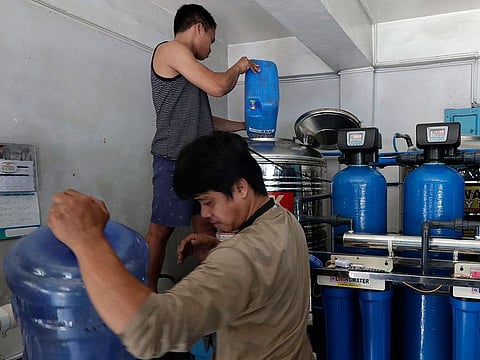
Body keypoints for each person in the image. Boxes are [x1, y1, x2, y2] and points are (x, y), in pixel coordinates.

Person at [48, 131, 314, 359]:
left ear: (241, 187)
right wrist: (218, 248)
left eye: (208, 202)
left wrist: (88, 240)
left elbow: (149, 331)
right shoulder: (283, 220)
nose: (205, 214)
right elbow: (265, 276)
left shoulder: (240, 257)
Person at [146, 3, 260, 292]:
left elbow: (205, 121)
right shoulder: (170, 50)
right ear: (199, 27)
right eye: (211, 39)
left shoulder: (187, 69)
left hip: (198, 162)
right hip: (173, 159)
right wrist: (238, 66)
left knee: (206, 230)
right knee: (160, 231)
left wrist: (246, 124)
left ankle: (209, 295)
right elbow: (219, 86)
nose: (210, 48)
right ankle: (144, 299)